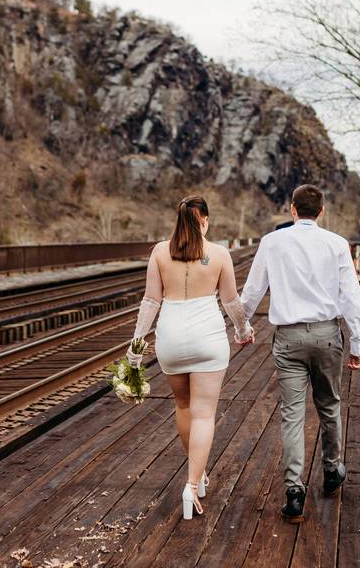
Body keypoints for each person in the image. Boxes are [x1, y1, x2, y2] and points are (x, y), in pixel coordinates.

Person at [240, 184, 360, 523]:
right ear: (321, 211)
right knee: (330, 405)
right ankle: (331, 470)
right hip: (327, 335)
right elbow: (352, 297)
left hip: (289, 339)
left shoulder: (271, 243)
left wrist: (242, 327)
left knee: (292, 414)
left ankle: (294, 493)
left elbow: (252, 292)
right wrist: (358, 343)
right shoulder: (338, 244)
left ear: (292, 209)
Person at [127, 195, 254, 520]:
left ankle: (196, 473)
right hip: (207, 338)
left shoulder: (159, 252)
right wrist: (243, 330)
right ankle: (192, 483)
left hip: (170, 338)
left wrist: (137, 346)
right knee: (203, 414)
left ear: (179, 220)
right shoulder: (219, 254)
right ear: (205, 221)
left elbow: (151, 302)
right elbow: (231, 301)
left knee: (184, 407)